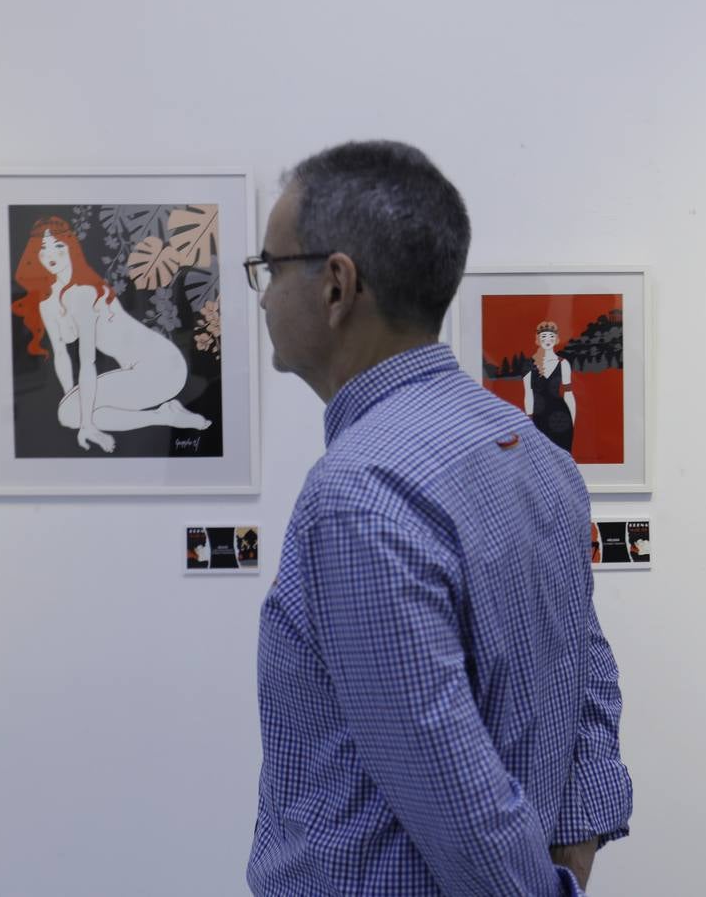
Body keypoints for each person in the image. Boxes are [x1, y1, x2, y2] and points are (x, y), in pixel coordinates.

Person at [246, 141, 632, 897]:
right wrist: (570, 858)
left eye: (269, 268)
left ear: (336, 285)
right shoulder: (531, 449)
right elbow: (590, 682)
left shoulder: (358, 494)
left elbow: (456, 795)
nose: (260, 296)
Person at [11, 217, 210, 452]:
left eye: (58, 246)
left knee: (71, 414)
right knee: (69, 413)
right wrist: (70, 400)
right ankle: (166, 415)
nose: (49, 254)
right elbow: (61, 355)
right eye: (42, 248)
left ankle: (168, 416)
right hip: (137, 373)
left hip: (162, 367)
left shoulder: (84, 293)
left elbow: (88, 360)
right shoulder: (48, 305)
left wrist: (85, 419)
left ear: (71, 248)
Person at [523, 320, 576, 452]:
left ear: (557, 339)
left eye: (551, 336)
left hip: (561, 420)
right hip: (538, 419)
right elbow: (528, 394)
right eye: (544, 336)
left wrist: (572, 421)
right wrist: (529, 420)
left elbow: (568, 393)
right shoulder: (529, 365)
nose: (548, 340)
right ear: (538, 339)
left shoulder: (563, 363)